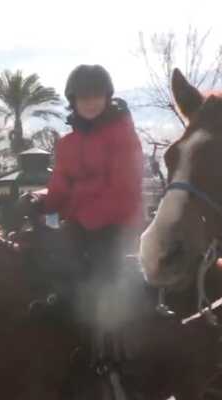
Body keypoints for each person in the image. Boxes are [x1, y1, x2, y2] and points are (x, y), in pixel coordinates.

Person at [25, 64, 144, 288]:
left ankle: (101, 307)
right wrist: (39, 202)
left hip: (115, 227)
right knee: (34, 249)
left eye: (96, 96)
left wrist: (80, 221)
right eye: (83, 98)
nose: (90, 103)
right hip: (77, 226)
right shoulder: (67, 143)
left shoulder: (123, 136)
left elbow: (124, 191)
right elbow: (60, 186)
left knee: (94, 274)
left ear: (107, 98)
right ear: (74, 101)